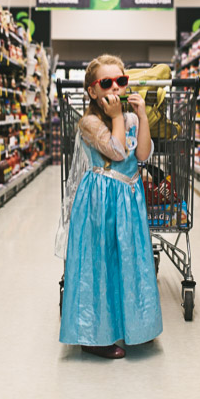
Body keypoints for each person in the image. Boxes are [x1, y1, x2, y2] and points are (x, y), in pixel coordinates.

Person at [56, 54, 163, 359]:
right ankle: (94, 337)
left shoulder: (129, 118)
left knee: (128, 260)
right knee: (99, 262)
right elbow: (117, 152)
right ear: (92, 91)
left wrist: (140, 117)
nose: (115, 87)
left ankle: (133, 327)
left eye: (121, 80)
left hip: (128, 198)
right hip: (100, 199)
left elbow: (141, 155)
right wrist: (117, 117)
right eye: (107, 82)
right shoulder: (89, 122)